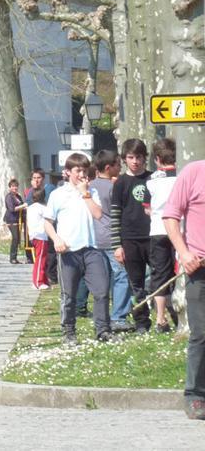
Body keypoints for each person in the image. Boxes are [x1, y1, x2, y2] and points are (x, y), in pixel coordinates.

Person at [44, 153, 111, 344]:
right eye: (77, 170)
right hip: (68, 250)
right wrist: (56, 239)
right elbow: (48, 222)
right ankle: (69, 331)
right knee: (69, 294)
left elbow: (98, 214)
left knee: (101, 290)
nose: (82, 174)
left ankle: (102, 330)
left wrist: (85, 193)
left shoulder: (91, 192)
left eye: (84, 170)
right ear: (68, 172)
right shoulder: (58, 194)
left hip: (91, 248)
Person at [160, 159, 205, 420]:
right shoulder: (193, 172)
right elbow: (170, 216)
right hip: (198, 267)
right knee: (201, 333)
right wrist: (184, 252)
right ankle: (195, 394)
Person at [85, 150, 132, 331]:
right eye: (118, 165)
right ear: (108, 167)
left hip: (94, 238)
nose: (120, 168)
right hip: (112, 238)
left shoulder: (90, 186)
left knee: (102, 281)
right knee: (121, 276)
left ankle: (102, 317)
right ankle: (119, 316)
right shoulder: (115, 186)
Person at [111, 138, 154, 333]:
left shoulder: (153, 179)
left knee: (160, 278)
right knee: (136, 283)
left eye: (138, 157)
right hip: (130, 238)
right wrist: (117, 245)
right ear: (124, 159)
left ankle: (166, 314)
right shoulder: (120, 183)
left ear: (145, 158)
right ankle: (141, 321)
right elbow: (115, 215)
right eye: (131, 157)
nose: (135, 161)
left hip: (153, 237)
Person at [145, 137, 178, 332]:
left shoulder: (151, 180)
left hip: (158, 229)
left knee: (160, 274)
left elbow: (147, 209)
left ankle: (160, 318)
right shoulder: (183, 175)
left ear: (157, 159)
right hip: (181, 229)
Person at [28, 188, 52, 290]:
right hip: (41, 236)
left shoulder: (30, 208)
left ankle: (44, 279)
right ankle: (38, 281)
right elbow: (50, 220)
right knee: (40, 259)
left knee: (42, 259)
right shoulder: (43, 208)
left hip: (33, 235)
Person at [4, 178, 28, 264]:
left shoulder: (18, 196)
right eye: (13, 186)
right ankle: (12, 258)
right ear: (10, 187)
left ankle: (15, 257)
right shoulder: (8, 197)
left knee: (18, 238)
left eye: (16, 186)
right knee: (15, 237)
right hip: (11, 219)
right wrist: (22, 206)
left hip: (18, 219)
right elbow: (12, 209)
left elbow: (22, 205)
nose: (15, 188)